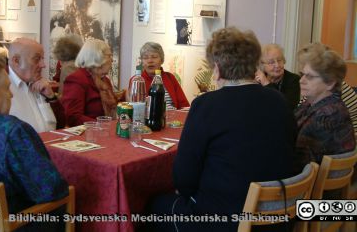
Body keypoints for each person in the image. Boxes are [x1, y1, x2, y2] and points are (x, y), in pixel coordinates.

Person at [150, 27, 296, 232]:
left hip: (225, 219)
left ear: (217, 69)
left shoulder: (206, 105)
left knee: (154, 208)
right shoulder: (279, 100)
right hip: (278, 218)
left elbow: (183, 179)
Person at [0, 51, 68, 218]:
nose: (11, 94)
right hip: (5, 225)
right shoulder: (12, 131)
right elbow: (52, 191)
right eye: (6, 88)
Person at [294, 43, 356, 172]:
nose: (301, 80)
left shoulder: (328, 114)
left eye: (309, 76)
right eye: (302, 74)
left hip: (314, 187)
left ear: (330, 82)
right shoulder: (311, 102)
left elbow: (299, 162)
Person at [8, 38, 65, 132]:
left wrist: (51, 97)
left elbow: (61, 125)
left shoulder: (40, 84)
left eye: (42, 58)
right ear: (16, 61)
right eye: (37, 59)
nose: (43, 65)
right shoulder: (1, 88)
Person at [61, 38, 117, 126]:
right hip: (87, 135)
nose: (112, 60)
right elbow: (73, 117)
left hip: (106, 132)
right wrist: (102, 125)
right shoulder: (77, 79)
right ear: (98, 57)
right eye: (109, 56)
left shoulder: (105, 80)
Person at [135, 42, 189, 109]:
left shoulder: (170, 77)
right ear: (142, 62)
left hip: (173, 117)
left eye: (154, 57)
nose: (150, 61)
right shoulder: (137, 80)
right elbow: (135, 108)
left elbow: (184, 105)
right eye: (145, 58)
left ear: (161, 60)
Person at [255, 44, 300, 110]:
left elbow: (287, 107)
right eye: (271, 62)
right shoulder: (257, 80)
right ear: (262, 65)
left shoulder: (294, 80)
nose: (277, 65)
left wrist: (266, 83)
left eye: (279, 60)